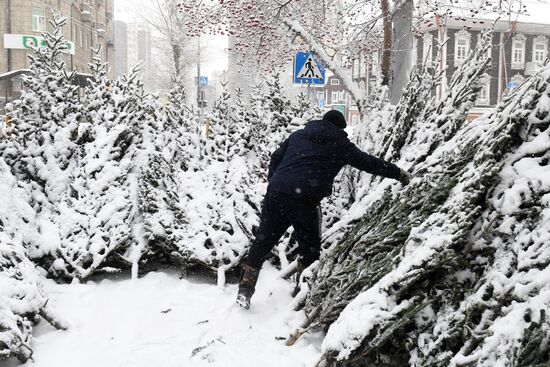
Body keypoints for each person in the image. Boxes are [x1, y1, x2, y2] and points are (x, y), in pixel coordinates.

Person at [236, 110, 411, 309]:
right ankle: (300, 297)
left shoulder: (298, 135)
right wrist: (398, 173)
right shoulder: (340, 144)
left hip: (276, 193)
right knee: (310, 249)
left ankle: (245, 290)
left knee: (263, 240)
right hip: (305, 199)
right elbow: (369, 162)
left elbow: (275, 158)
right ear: (340, 128)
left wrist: (276, 182)